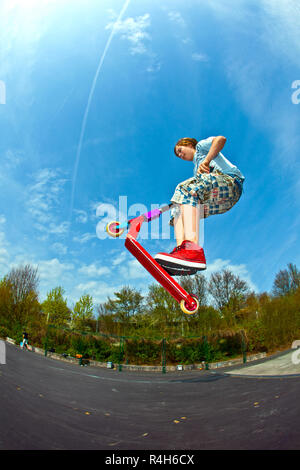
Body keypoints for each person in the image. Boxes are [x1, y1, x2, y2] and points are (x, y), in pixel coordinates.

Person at [154, 135, 245, 274]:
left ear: (188, 144)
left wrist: (207, 160)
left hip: (230, 182)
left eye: (180, 150)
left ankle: (192, 249)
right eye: (178, 155)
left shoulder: (200, 148)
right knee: (177, 208)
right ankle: (182, 252)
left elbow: (221, 139)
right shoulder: (196, 169)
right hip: (220, 200)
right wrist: (179, 201)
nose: (180, 155)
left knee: (183, 188)